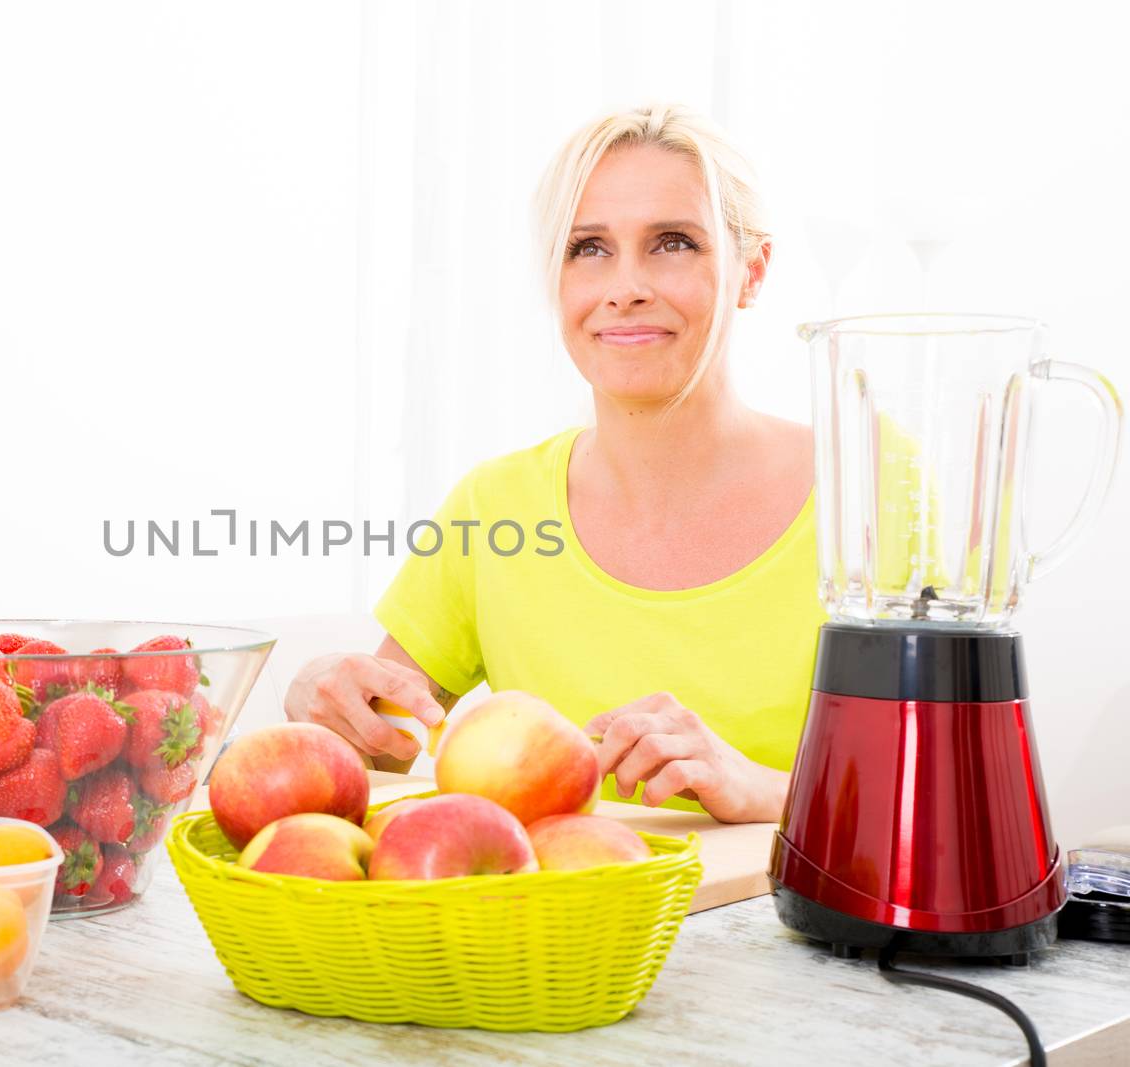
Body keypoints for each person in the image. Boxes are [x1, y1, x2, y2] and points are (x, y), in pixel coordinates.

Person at [283, 102, 826, 824]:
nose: (624, 285)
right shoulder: (493, 507)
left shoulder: (872, 495)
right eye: (588, 248)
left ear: (751, 271)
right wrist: (323, 698)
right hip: (563, 937)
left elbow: (950, 814)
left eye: (672, 242)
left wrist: (762, 789)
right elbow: (375, 754)